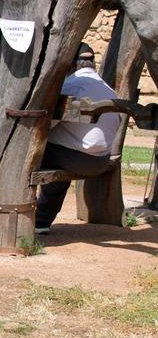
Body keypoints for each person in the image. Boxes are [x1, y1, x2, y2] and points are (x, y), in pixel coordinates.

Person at [35, 43, 120, 234]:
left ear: (70, 64)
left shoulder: (69, 85)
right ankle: (41, 221)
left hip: (78, 159)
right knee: (64, 145)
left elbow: (46, 125)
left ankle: (31, 217)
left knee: (30, 151)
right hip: (102, 159)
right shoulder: (108, 89)